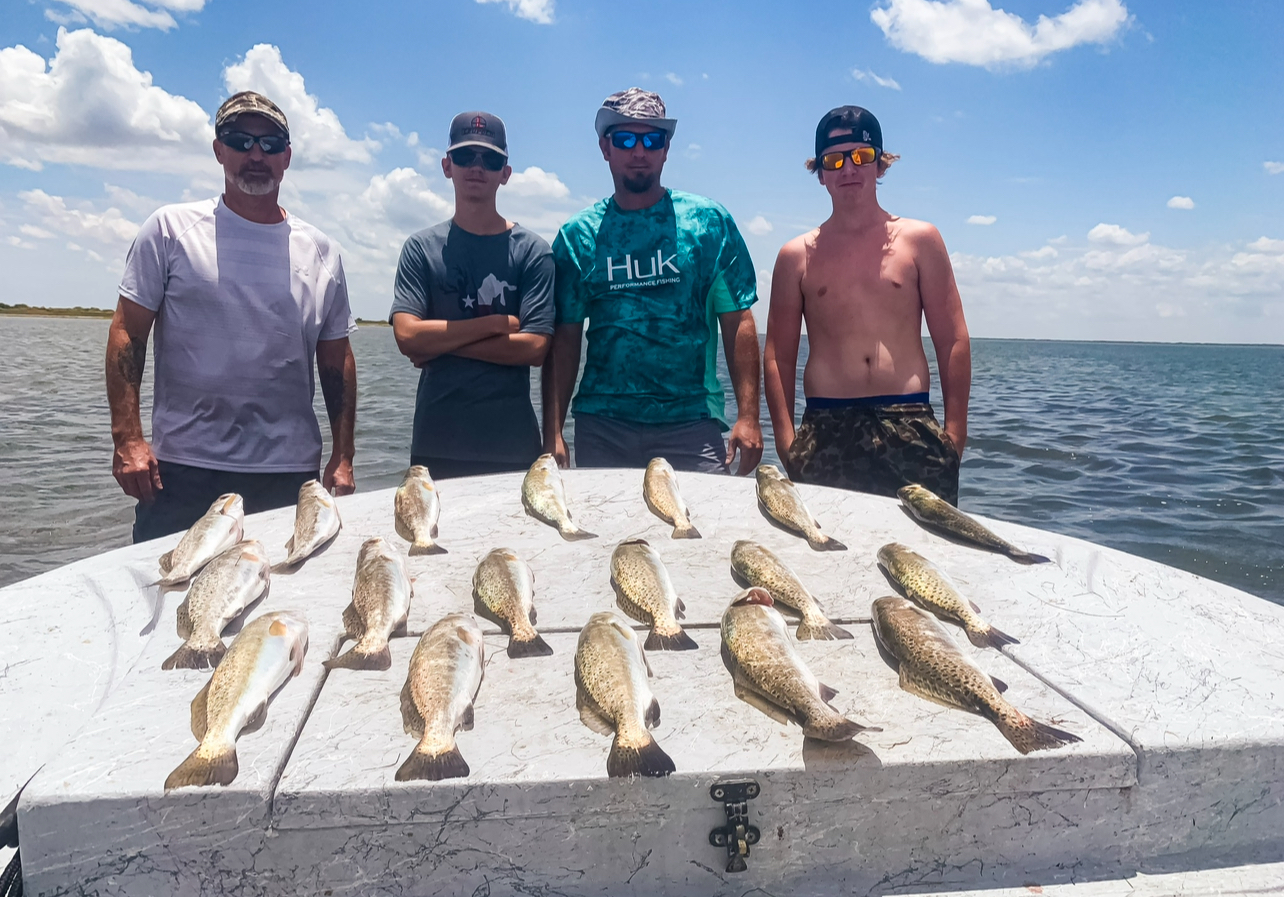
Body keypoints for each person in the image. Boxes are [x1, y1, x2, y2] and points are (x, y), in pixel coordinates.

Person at [106, 91, 358, 543]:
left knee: (281, 604)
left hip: (287, 472)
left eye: (270, 142)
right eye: (240, 140)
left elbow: (336, 358)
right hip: (181, 470)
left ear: (287, 157)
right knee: (168, 596)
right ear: (218, 149)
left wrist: (343, 455)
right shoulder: (170, 230)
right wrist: (127, 440)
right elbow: (127, 332)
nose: (255, 154)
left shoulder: (322, 251)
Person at [542, 88, 763, 475]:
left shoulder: (709, 223)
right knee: (605, 536)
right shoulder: (578, 235)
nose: (639, 151)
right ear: (605, 148)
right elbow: (564, 338)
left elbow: (738, 320)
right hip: (602, 424)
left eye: (652, 139)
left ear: (666, 148)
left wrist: (748, 416)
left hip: (692, 423)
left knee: (701, 534)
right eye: (625, 139)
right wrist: (553, 430)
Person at [763, 105, 971, 505]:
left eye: (861, 156)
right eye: (834, 160)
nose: (848, 169)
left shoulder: (920, 241)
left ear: (880, 165)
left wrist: (954, 436)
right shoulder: (796, 256)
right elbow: (778, 357)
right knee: (826, 558)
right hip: (825, 428)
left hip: (910, 422)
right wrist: (788, 443)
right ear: (820, 173)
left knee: (922, 559)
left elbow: (953, 341)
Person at [389, 112, 554, 479]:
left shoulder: (533, 251)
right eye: (465, 157)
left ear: (505, 173)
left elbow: (535, 349)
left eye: (490, 159)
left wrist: (437, 343)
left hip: (514, 447)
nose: (477, 167)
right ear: (447, 166)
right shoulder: (420, 248)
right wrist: (496, 324)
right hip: (435, 446)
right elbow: (406, 336)